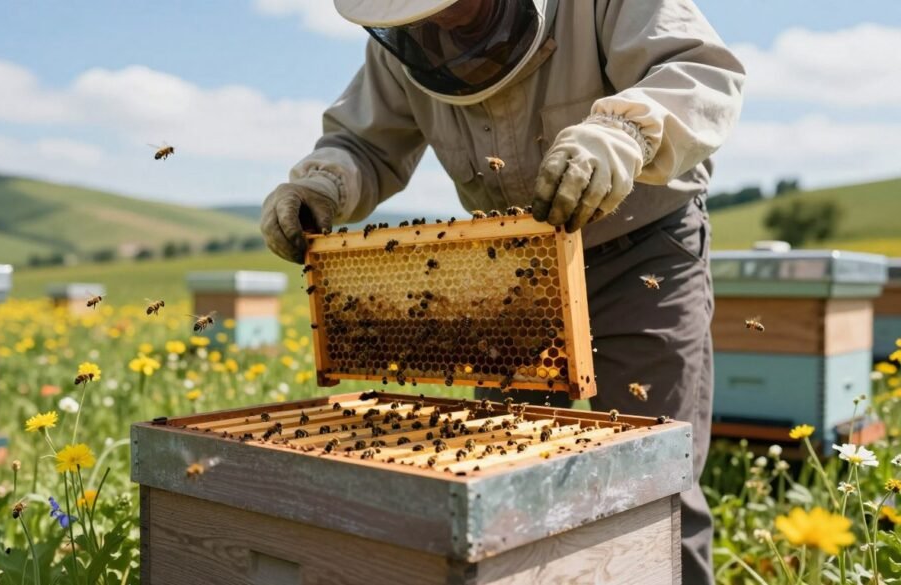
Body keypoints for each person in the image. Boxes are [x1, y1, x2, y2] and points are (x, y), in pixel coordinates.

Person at [260, 1, 744, 582]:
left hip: (642, 250)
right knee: (508, 472)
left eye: (460, 8)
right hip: (516, 268)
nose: (445, 29)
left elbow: (701, 72)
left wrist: (622, 132)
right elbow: (364, 143)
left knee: (659, 477)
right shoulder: (402, 36)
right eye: (424, 20)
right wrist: (321, 185)